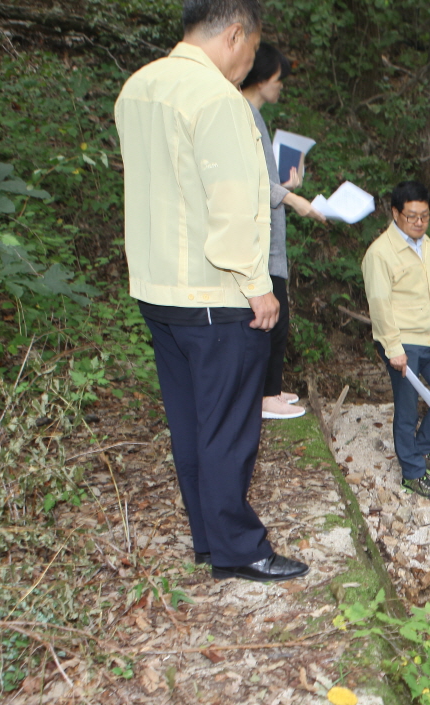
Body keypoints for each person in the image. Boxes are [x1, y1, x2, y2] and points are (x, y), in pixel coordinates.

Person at [115, 0, 308, 583]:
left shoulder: (138, 88)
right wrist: (257, 286)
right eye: (253, 49)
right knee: (227, 428)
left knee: (191, 424)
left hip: (157, 291)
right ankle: (238, 549)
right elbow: (231, 205)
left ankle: (208, 538)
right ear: (235, 34)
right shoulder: (218, 99)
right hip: (215, 294)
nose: (250, 62)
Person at [239, 42, 328, 421]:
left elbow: (265, 179)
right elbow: (249, 180)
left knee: (279, 317)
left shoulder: (255, 117)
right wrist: (293, 200)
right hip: (259, 244)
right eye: (278, 79)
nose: (281, 86)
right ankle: (265, 395)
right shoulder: (243, 114)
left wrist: (286, 186)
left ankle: (271, 389)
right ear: (261, 78)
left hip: (271, 240)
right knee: (272, 318)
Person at [361, 180, 430, 500]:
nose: (419, 223)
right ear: (395, 213)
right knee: (407, 410)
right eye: (412, 216)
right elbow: (379, 305)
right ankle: (412, 473)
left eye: (424, 216)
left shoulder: (427, 245)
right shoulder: (380, 254)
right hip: (401, 341)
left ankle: (422, 448)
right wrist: (393, 348)